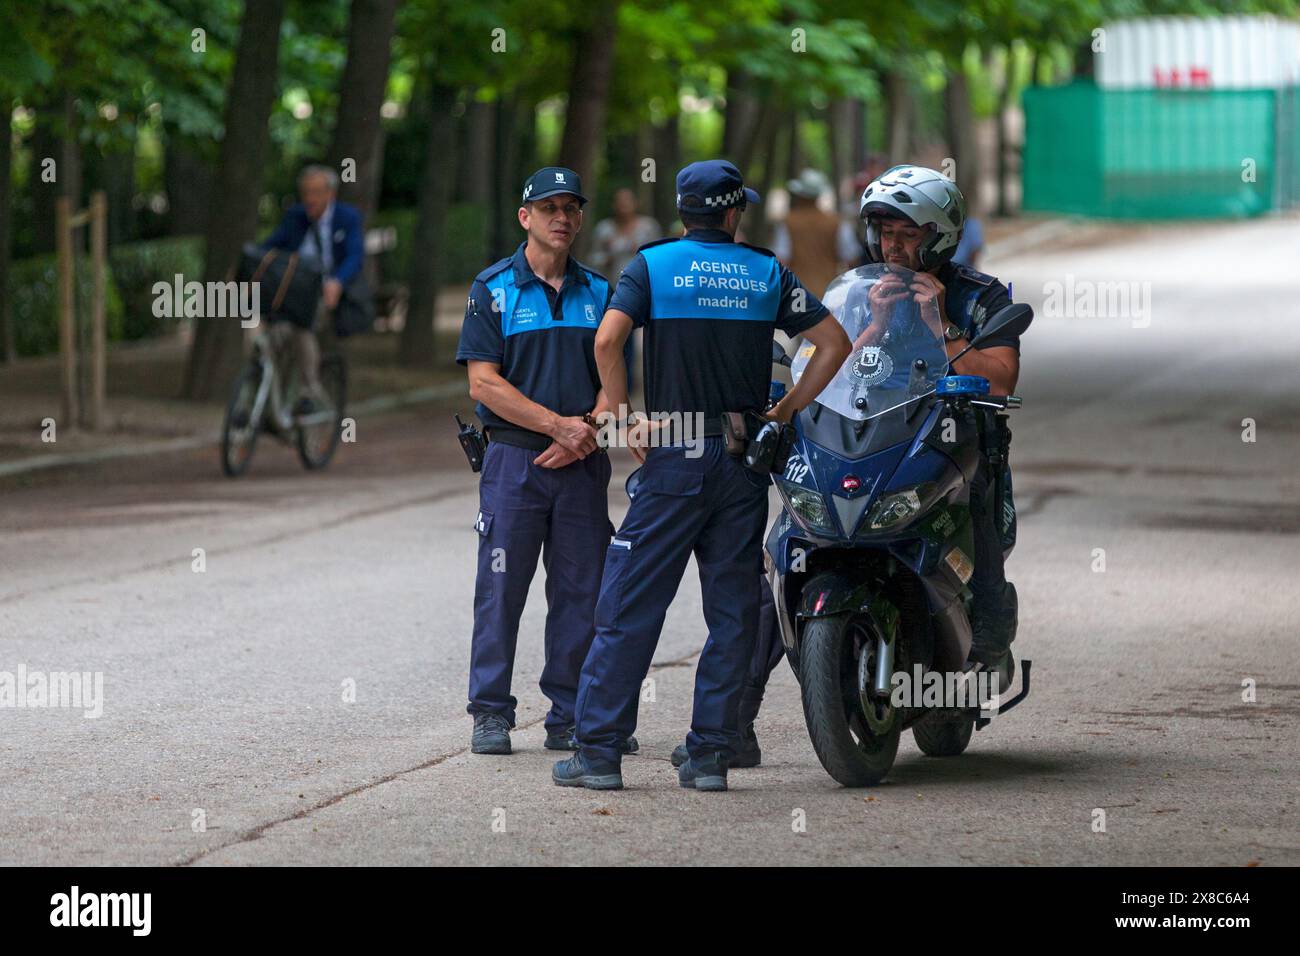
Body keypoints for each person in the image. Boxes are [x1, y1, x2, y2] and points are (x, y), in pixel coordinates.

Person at [694, 165, 1030, 761]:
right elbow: (825, 366)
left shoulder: (981, 295)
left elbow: (1000, 379)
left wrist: (941, 323)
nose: (894, 247)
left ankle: (985, 652)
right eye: (884, 232)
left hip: (951, 445)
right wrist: (871, 324)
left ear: (941, 235)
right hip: (868, 442)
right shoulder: (859, 292)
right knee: (788, 546)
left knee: (980, 557)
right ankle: (730, 727)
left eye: (908, 235)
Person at [551, 159, 851, 792]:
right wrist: (785, 410)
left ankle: (599, 753)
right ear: (735, 211)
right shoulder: (767, 272)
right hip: (744, 459)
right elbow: (834, 343)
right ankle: (711, 754)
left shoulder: (652, 267)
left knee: (630, 601)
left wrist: (624, 414)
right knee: (733, 612)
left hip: (675, 453)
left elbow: (607, 342)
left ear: (684, 209)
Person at [455, 166, 636, 757]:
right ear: (524, 217)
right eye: (550, 207)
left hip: (582, 465)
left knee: (582, 591)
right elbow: (484, 384)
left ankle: (570, 714)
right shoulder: (492, 289)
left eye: (572, 208)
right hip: (514, 461)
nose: (563, 218)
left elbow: (616, 388)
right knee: (501, 587)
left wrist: (585, 431)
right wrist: (557, 425)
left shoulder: (602, 293)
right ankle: (489, 712)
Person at [262, 164, 364, 411]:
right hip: (295, 289)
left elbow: (355, 256)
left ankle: (309, 391)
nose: (310, 199)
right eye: (306, 193)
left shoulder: (347, 217)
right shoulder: (295, 217)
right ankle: (265, 394)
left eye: (316, 192)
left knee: (301, 325)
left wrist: (337, 281)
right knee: (270, 332)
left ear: (330, 194)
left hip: (326, 291)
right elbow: (270, 247)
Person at [589, 188, 662, 393]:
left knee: (646, 338)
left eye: (627, 201)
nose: (623, 206)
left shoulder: (647, 227)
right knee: (618, 338)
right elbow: (594, 259)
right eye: (619, 202)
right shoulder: (604, 229)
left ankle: (647, 381)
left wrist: (638, 249)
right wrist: (608, 254)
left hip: (645, 290)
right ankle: (620, 384)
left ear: (634, 203)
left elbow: (658, 255)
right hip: (614, 290)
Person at [771, 169, 859, 298]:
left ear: (800, 194)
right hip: (829, 294)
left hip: (797, 295)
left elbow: (781, 260)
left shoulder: (789, 222)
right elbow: (852, 258)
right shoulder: (836, 222)